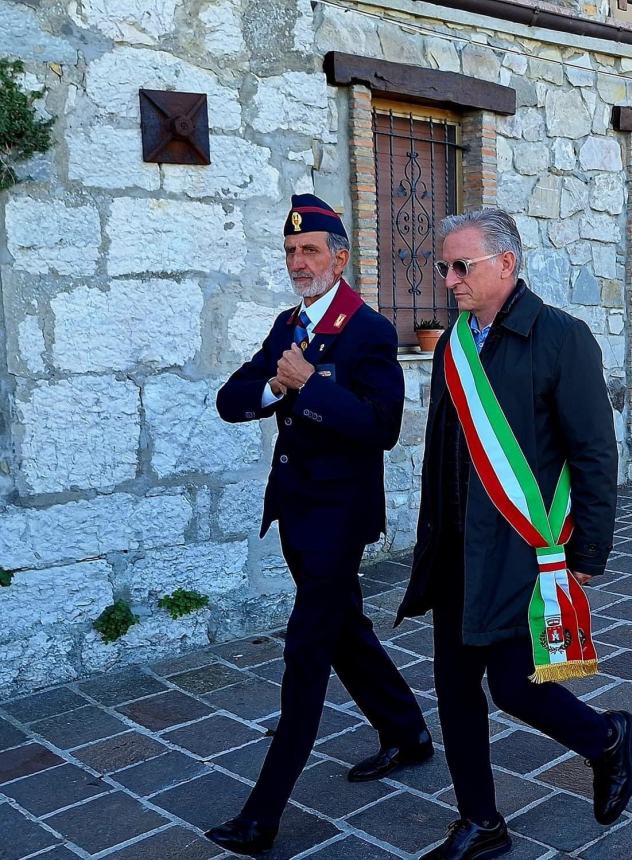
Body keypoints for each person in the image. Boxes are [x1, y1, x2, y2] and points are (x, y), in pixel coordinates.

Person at [397, 209, 632, 860]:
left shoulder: (560, 337)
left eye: (460, 266)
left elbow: (592, 452)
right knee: (452, 687)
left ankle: (606, 739)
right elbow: (445, 448)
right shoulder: (453, 343)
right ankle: (480, 822)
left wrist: (588, 549)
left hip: (516, 547)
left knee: (510, 685)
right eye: (442, 267)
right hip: (453, 550)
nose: (447, 280)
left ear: (505, 263)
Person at [207, 195, 432, 856]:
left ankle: (262, 814)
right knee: (346, 633)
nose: (298, 261)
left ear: (339, 258)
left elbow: (382, 428)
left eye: (310, 251)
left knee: (306, 650)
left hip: (339, 518)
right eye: (289, 251)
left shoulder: (365, 328)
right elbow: (231, 399)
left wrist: (310, 385)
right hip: (294, 511)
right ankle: (408, 733)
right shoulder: (286, 324)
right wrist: (276, 388)